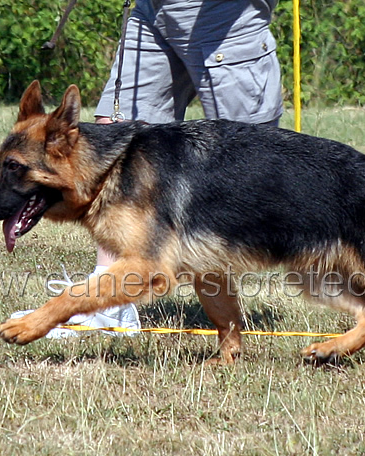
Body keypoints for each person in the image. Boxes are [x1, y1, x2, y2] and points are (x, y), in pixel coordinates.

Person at [33, 0, 283, 337]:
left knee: (251, 160)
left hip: (223, 15)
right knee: (116, 132)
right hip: (153, 10)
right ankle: (113, 305)